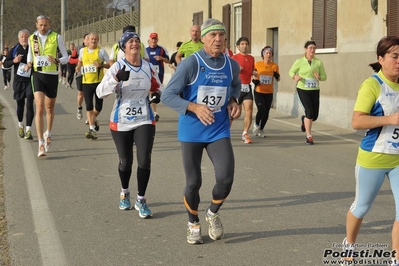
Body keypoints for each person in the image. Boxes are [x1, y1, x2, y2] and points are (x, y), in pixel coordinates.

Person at [161, 18, 241, 245]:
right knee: (193, 182)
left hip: (218, 129)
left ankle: (212, 213)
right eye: (212, 35)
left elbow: (235, 85)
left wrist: (233, 100)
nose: (218, 40)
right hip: (192, 131)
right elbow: (168, 95)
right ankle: (193, 222)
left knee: (225, 178)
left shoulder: (231, 64)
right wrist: (194, 107)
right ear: (203, 38)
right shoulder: (191, 64)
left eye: (221, 36)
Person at [339, 36, 399, 265]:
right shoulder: (373, 84)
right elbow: (357, 122)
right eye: (394, 56)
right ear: (381, 59)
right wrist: (389, 119)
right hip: (373, 157)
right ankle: (349, 244)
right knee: (362, 206)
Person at [96, 31, 162, 218]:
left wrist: (157, 94)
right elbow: (100, 92)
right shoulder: (117, 66)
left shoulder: (148, 67)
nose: (134, 43)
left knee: (144, 160)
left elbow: (159, 87)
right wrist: (116, 78)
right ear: (123, 47)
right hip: (121, 120)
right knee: (126, 162)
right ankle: (125, 191)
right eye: (130, 41)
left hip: (144, 118)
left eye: (136, 41)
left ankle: (141, 199)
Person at [25, 15, 69, 157]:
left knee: (49, 107)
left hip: (51, 75)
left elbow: (66, 57)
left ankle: (48, 133)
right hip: (38, 75)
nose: (43, 28)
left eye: (45, 25)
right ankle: (40, 144)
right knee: (39, 107)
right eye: (41, 25)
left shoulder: (57, 37)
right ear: (36, 25)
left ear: (49, 24)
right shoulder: (32, 38)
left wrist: (57, 60)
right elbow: (30, 55)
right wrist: (29, 63)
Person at [288, 40, 327, 145]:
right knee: (309, 113)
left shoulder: (318, 62)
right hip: (303, 89)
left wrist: (319, 77)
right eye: (310, 48)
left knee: (315, 116)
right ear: (305, 49)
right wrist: (295, 76)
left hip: (314, 90)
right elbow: (291, 71)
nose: (312, 50)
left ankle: (304, 120)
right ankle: (309, 136)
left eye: (314, 48)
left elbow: (324, 76)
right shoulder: (299, 61)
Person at [76, 32, 110, 140]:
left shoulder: (101, 51)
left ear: (98, 40)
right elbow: (80, 63)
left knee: (99, 106)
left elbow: (110, 64)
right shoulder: (82, 51)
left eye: (95, 39)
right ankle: (92, 128)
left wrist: (101, 65)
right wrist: (78, 68)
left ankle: (93, 119)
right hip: (86, 83)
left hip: (98, 83)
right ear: (87, 40)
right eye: (91, 39)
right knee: (89, 105)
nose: (93, 41)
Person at [3, 29, 34, 140]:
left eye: (26, 36)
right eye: (22, 36)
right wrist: (14, 61)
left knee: (30, 104)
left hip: (30, 81)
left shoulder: (33, 49)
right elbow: (5, 64)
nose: (24, 38)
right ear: (19, 38)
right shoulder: (15, 49)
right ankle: (20, 125)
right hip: (19, 82)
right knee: (20, 105)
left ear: (29, 38)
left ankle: (29, 129)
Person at [252, 46, 280, 138]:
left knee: (266, 112)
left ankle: (261, 129)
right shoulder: (257, 64)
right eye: (267, 53)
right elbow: (252, 75)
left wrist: (276, 76)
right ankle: (256, 124)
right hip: (259, 90)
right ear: (263, 54)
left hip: (269, 92)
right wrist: (254, 81)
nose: (268, 55)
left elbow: (278, 79)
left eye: (270, 53)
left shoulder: (274, 66)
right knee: (261, 109)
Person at [232, 37, 256, 143]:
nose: (244, 46)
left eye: (246, 44)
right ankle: (223, 133)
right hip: (236, 87)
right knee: (235, 113)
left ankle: (245, 133)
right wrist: (236, 70)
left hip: (247, 87)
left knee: (249, 110)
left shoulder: (251, 58)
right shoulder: (234, 58)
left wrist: (254, 73)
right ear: (238, 46)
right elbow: (229, 72)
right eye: (242, 44)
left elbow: (253, 69)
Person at [146, 32, 170, 122]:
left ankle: (153, 111)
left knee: (155, 92)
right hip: (149, 74)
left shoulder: (162, 49)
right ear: (149, 40)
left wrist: (162, 58)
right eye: (152, 39)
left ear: (157, 40)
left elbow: (168, 61)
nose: (153, 40)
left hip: (159, 74)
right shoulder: (145, 50)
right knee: (150, 91)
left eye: (155, 39)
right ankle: (154, 112)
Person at [75, 34, 89, 120]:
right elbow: (72, 59)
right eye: (87, 38)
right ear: (83, 40)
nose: (88, 40)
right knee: (81, 94)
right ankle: (79, 108)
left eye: (90, 39)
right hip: (80, 74)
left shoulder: (96, 49)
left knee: (89, 95)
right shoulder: (78, 49)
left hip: (90, 75)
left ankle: (90, 115)